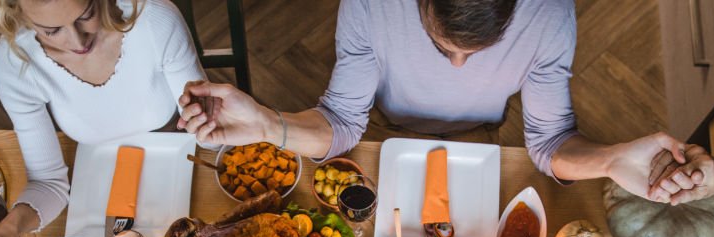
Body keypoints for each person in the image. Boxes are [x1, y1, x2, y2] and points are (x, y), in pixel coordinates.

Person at [176, 0, 687, 197]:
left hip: (482, 135)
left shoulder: (549, 13)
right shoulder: (370, 6)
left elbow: (550, 139)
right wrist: (268, 125)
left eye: (482, 51)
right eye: (445, 48)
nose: (461, 70)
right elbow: (342, 120)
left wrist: (612, 159)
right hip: (387, 124)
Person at [0, 0, 206, 237]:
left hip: (178, 145)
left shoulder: (153, 19)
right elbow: (48, 183)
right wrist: (11, 227)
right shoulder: (13, 62)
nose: (77, 41)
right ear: (19, 17)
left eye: (86, 15)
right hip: (94, 181)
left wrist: (207, 122)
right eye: (51, 31)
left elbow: (206, 131)